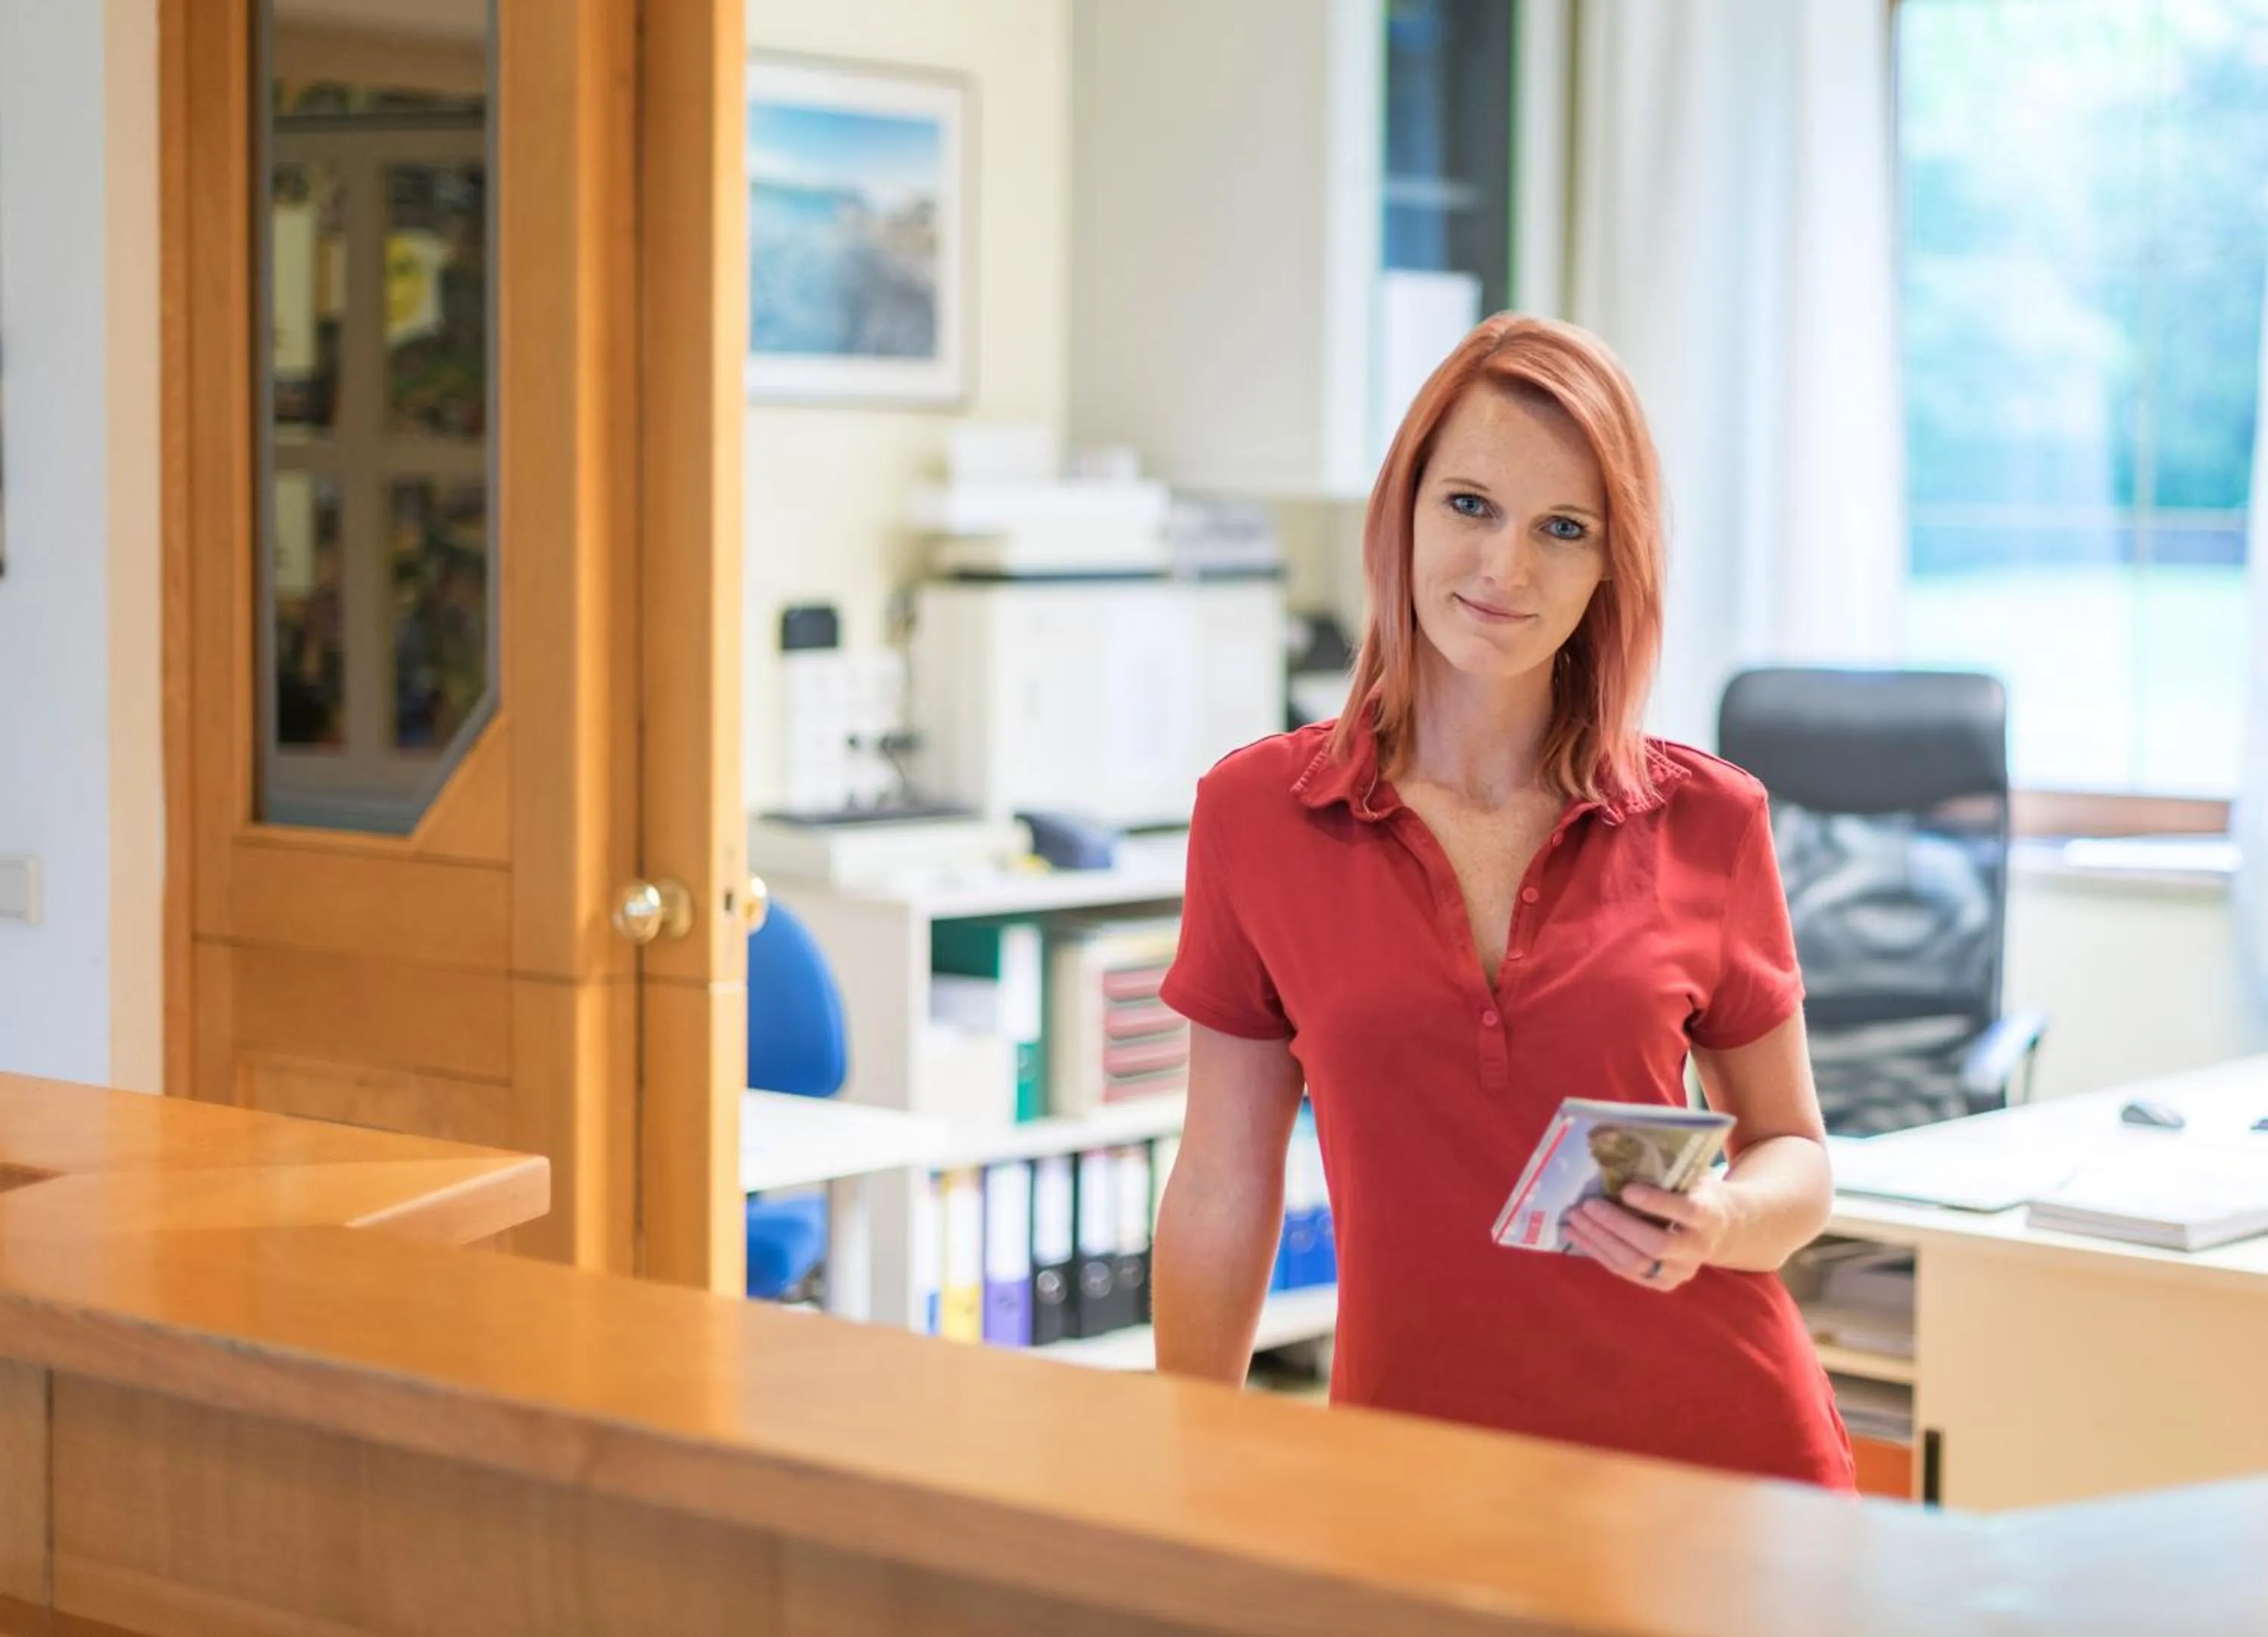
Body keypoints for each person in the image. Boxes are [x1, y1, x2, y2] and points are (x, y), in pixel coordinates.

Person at [1152, 314, 1854, 1490]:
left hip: (1718, 1473)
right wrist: (1183, 1458)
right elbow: (1225, 1178)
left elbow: (1798, 1155)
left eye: (1562, 529)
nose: (1504, 569)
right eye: (1470, 505)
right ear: (1405, 511)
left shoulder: (1708, 818)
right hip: (1410, 1467)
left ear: (1607, 568)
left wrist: (1723, 1222)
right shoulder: (1257, 813)